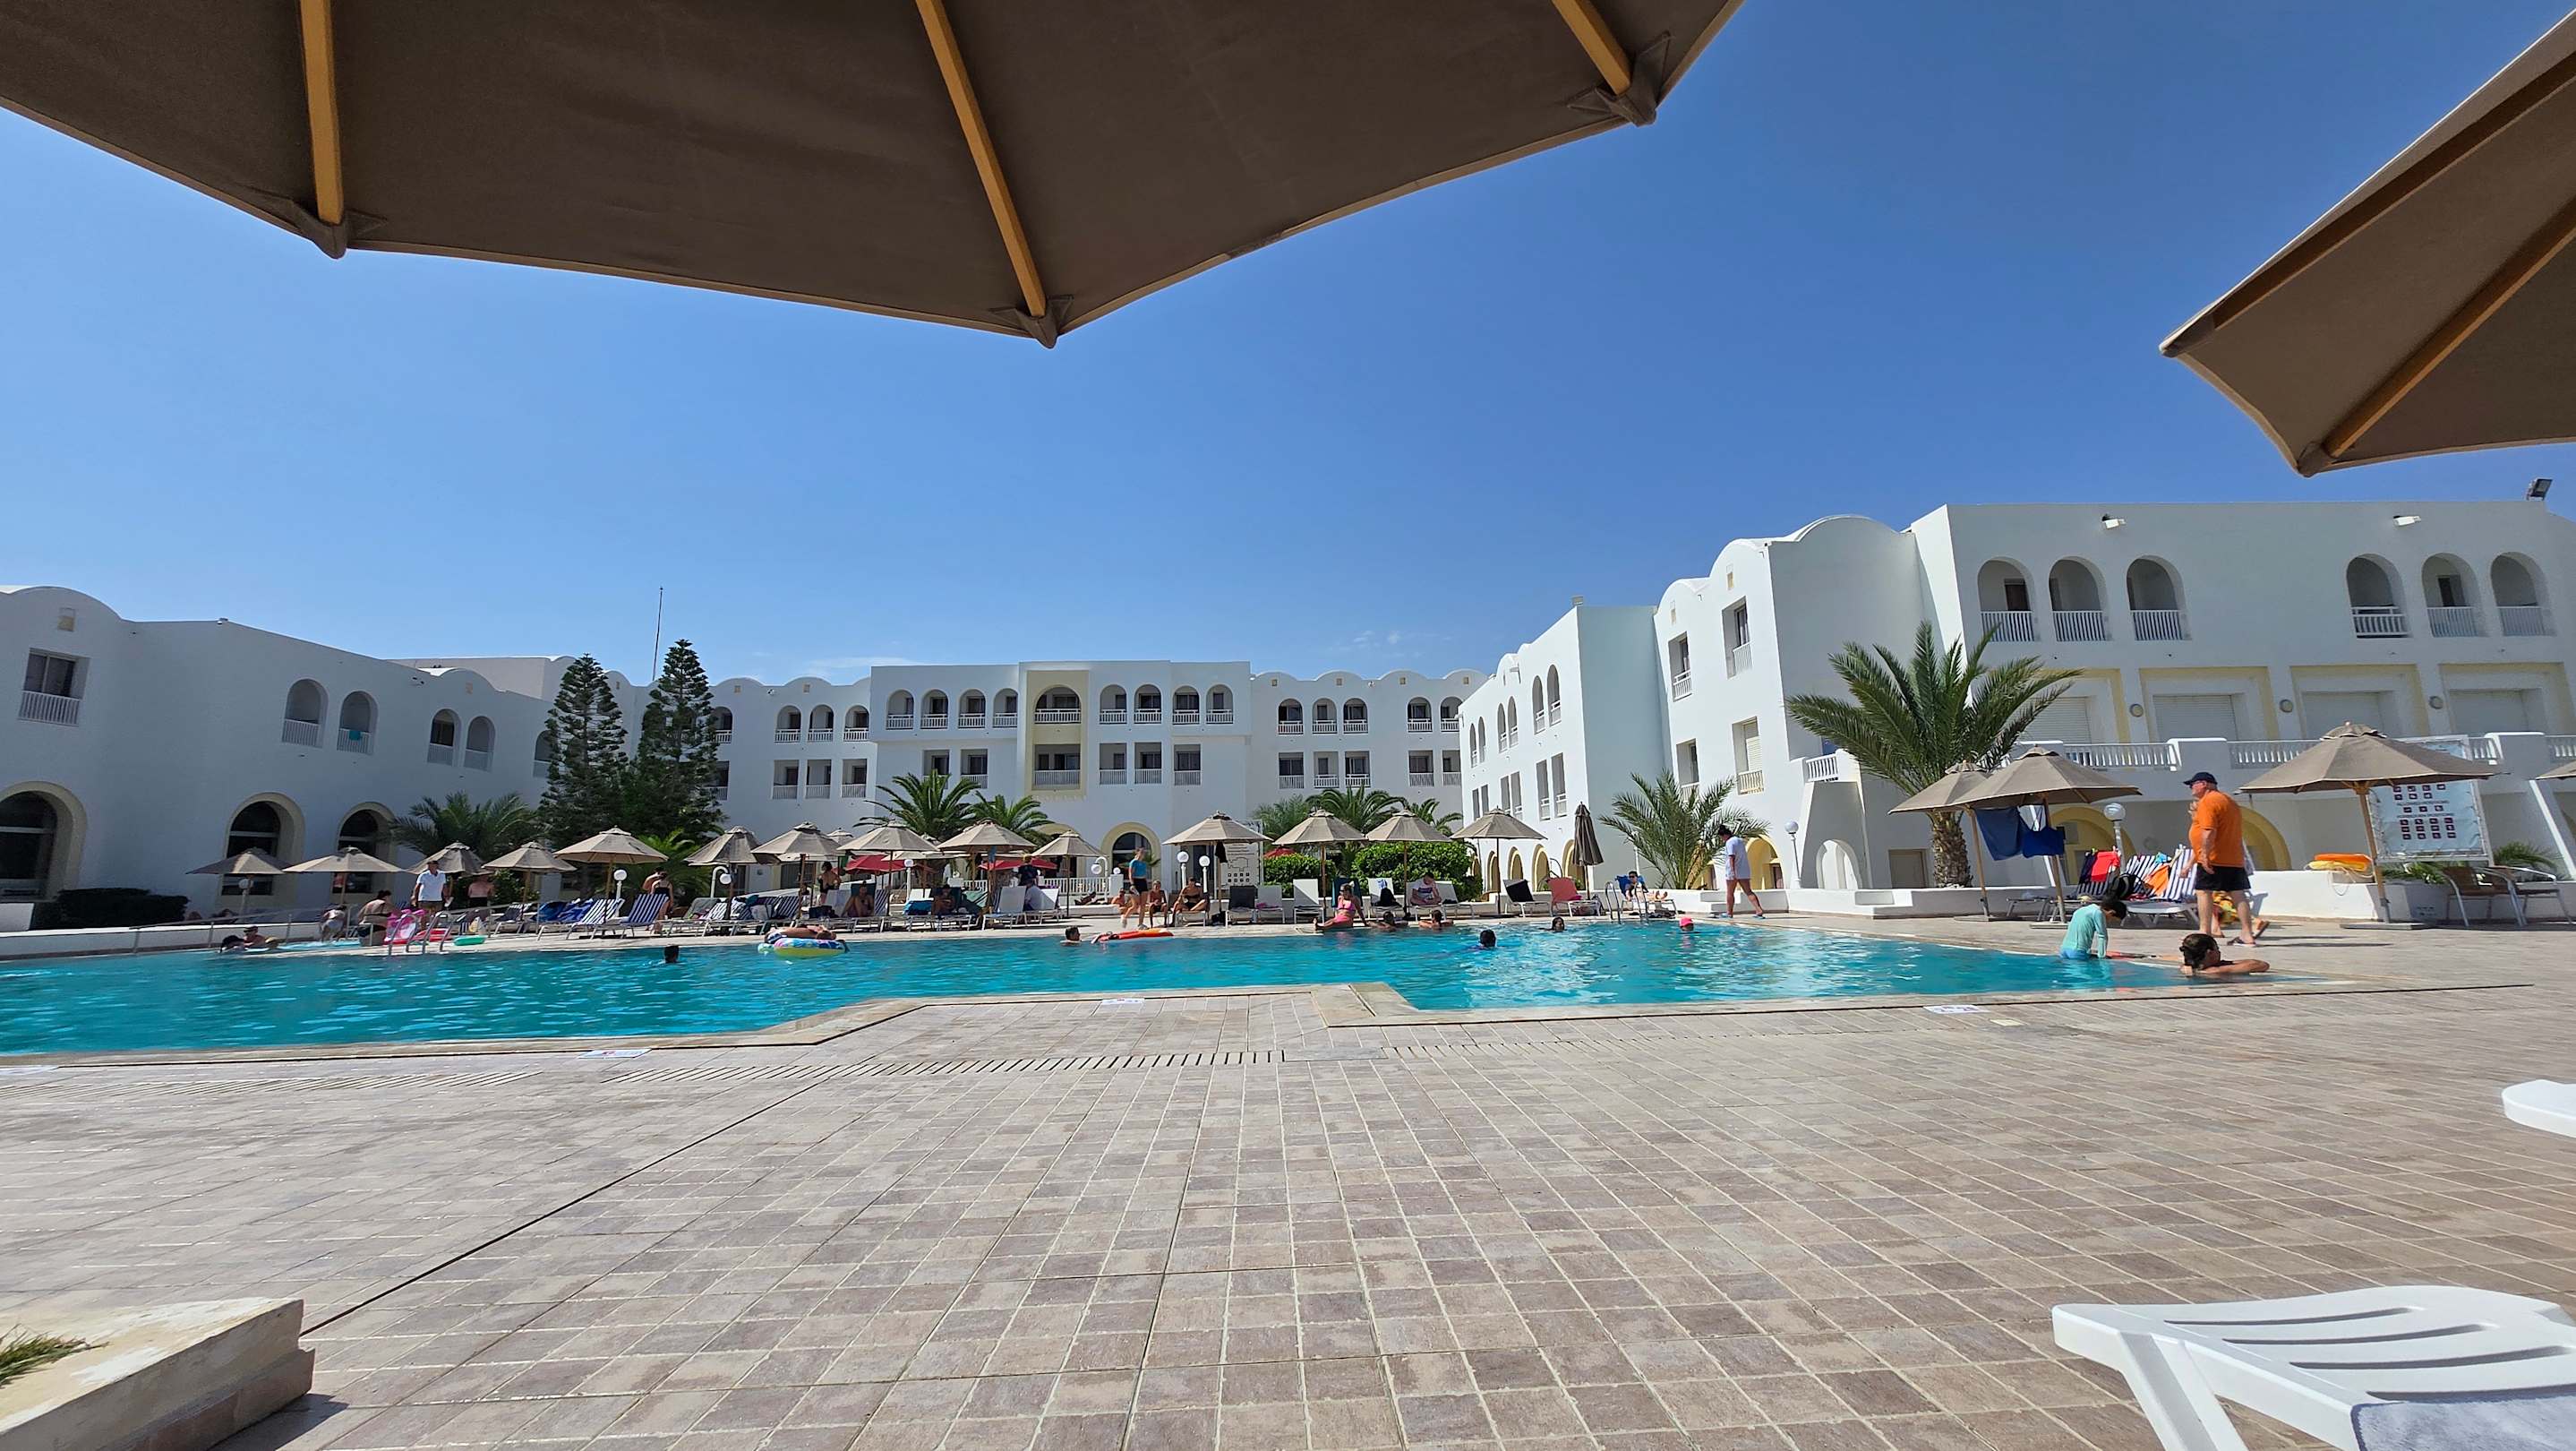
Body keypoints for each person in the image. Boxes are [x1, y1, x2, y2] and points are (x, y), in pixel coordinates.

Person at [2186, 771, 2260, 944]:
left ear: (2203, 784)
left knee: (2203, 892)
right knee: (2238, 894)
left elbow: (2209, 831)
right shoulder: (2230, 801)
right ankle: (2247, 934)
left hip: (2214, 857)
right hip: (2233, 857)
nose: (2191, 789)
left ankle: (2205, 932)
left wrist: (2205, 855)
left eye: (2192, 785)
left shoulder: (2208, 801)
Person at [2059, 893, 2130, 960]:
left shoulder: (2082, 910)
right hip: (2077, 951)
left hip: (2064, 949)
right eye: (2112, 919)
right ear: (2111, 912)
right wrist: (2102, 956)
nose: (2109, 921)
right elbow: (2102, 936)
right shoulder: (2098, 913)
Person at [1716, 827, 1766, 920]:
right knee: (1748, 891)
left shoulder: (1730, 842)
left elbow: (1731, 857)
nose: (1722, 839)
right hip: (1743, 870)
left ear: (1725, 835)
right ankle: (1759, 909)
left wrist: (1732, 871)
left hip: (1733, 871)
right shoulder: (1739, 840)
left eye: (1722, 837)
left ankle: (1729, 913)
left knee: (1730, 893)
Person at [2167, 932, 2271, 977]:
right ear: (2210, 953)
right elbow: (2261, 965)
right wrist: (2227, 963)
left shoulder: (2186, 967)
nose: (2220, 952)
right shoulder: (2215, 971)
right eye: (2218, 949)